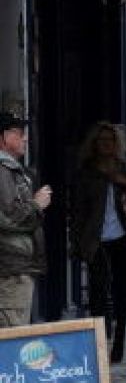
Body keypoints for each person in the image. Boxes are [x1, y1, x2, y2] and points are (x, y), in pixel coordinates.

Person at [69, 122, 126, 363]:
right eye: (101, 140)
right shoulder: (86, 172)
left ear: (116, 144)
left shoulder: (125, 168)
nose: (105, 145)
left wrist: (124, 181)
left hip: (123, 238)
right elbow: (78, 210)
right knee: (98, 291)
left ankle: (120, 338)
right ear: (94, 144)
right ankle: (100, 341)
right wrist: (78, 241)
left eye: (110, 140)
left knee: (122, 288)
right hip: (96, 240)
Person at [0, 112, 50, 328]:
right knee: (11, 335)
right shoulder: (3, 170)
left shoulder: (10, 169)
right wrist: (37, 204)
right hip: (10, 269)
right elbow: (9, 217)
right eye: (20, 133)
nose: (25, 139)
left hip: (13, 266)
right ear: (3, 137)